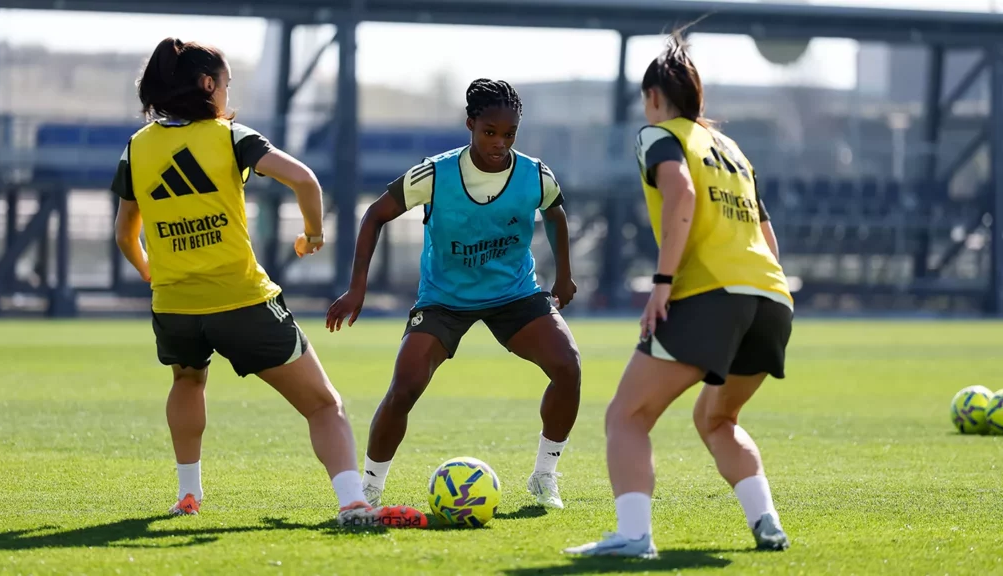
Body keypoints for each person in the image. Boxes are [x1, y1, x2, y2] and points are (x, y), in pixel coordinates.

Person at [110, 37, 423, 528]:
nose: (229, 94)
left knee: (188, 379)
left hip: (174, 308)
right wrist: (313, 234)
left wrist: (154, 275)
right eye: (227, 83)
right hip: (242, 302)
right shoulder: (229, 136)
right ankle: (352, 504)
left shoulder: (137, 147)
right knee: (324, 404)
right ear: (207, 84)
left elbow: (125, 233)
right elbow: (305, 181)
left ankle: (188, 496)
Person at [565, 34, 793, 558]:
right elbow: (765, 233)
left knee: (626, 416)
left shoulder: (658, 135)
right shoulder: (732, 151)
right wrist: (764, 293)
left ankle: (633, 536)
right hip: (772, 298)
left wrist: (662, 284)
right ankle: (767, 524)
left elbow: (681, 194)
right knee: (716, 420)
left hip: (712, 295)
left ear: (652, 97)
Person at [326, 79, 582, 510]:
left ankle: (544, 477)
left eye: (509, 134)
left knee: (568, 366)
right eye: (490, 132)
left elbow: (555, 214)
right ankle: (369, 486)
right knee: (405, 386)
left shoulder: (536, 174)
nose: (500, 143)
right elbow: (374, 215)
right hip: (444, 299)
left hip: (514, 293)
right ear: (470, 124)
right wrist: (356, 288)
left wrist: (564, 277)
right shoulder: (435, 173)